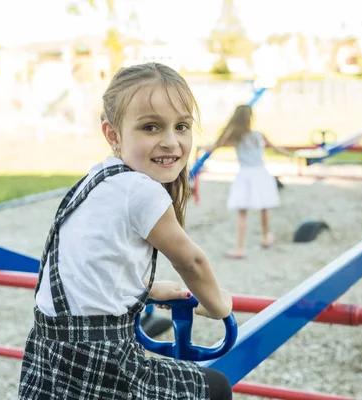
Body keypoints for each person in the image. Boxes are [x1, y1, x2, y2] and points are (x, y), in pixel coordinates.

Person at [18, 62, 234, 400]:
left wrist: (145, 289)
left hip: (50, 356)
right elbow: (191, 261)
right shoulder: (141, 190)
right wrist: (218, 305)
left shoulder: (96, 180)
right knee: (216, 386)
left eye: (181, 126)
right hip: (100, 361)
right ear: (113, 135)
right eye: (151, 127)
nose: (171, 142)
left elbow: (90, 264)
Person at [208, 104, 291, 259]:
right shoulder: (258, 135)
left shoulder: (236, 136)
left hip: (246, 175)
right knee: (264, 207)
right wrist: (291, 155)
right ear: (250, 118)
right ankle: (266, 237)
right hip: (261, 173)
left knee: (242, 213)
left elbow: (214, 146)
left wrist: (202, 149)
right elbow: (276, 148)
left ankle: (240, 248)